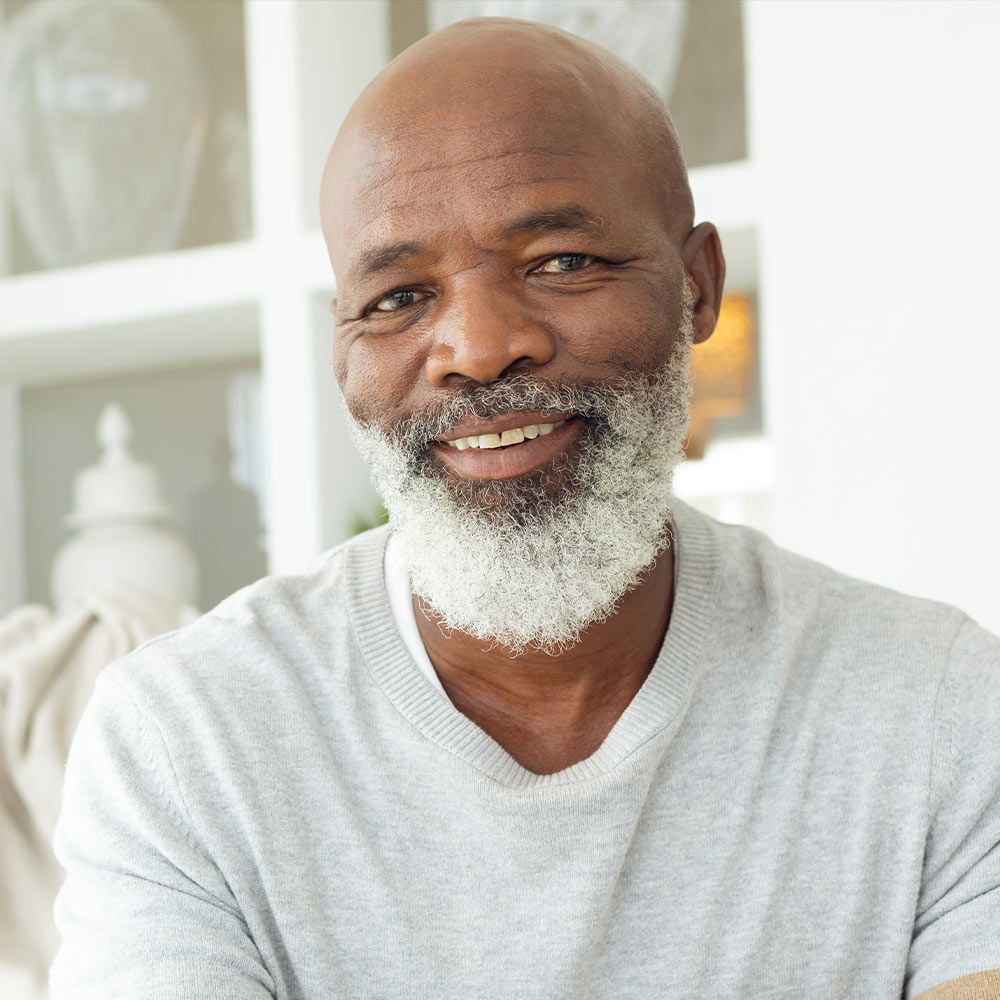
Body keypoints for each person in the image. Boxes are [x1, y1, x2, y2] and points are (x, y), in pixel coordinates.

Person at [50, 18, 1000, 1000]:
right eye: (398, 296)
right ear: (342, 354)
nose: (477, 345)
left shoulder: (936, 715)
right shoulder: (185, 743)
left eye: (560, 260)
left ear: (696, 286)